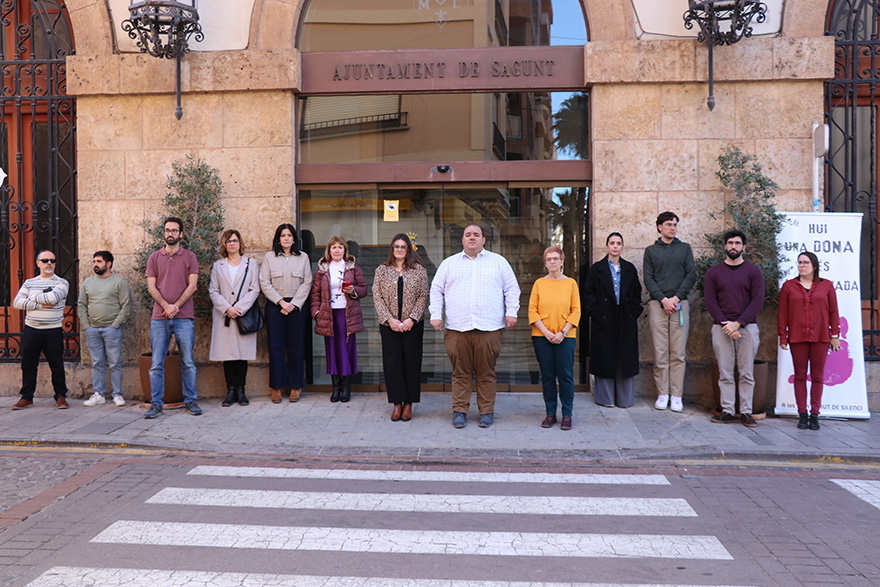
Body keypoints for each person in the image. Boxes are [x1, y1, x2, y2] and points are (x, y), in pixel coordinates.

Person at [429, 224, 520, 429]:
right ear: (462, 240)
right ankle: (459, 411)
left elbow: (512, 288)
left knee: (486, 373)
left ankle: (486, 412)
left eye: (476, 235)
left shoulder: (499, 262)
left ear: (483, 240)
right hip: (457, 328)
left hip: (489, 328)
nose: (472, 238)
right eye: (468, 235)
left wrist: (511, 312)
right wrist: (436, 315)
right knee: (460, 372)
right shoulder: (449, 264)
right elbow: (436, 290)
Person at [705, 230, 764, 428]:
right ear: (724, 246)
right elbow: (711, 302)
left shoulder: (754, 271)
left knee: (746, 372)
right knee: (725, 372)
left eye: (737, 243)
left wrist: (738, 323)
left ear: (744, 247)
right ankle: (728, 410)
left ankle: (746, 412)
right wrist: (725, 324)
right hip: (721, 328)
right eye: (730, 243)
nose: (733, 246)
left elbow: (757, 301)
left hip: (747, 328)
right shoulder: (713, 273)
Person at [144, 217, 201, 419]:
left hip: (183, 317)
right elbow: (151, 286)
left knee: (188, 362)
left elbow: (192, 285)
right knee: (156, 364)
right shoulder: (154, 258)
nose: (170, 233)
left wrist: (175, 306)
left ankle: (191, 401)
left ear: (181, 234)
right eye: (167, 230)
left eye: (174, 230)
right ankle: (156, 404)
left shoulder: (190, 257)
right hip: (159, 318)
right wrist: (166, 306)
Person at [778, 251, 841, 431]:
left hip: (821, 337)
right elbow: (782, 314)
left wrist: (834, 335)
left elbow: (833, 312)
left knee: (818, 376)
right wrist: (783, 335)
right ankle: (802, 414)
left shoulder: (826, 286)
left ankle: (815, 414)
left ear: (814, 266)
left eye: (805, 263)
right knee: (799, 375)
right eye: (799, 263)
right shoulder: (789, 286)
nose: (801, 266)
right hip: (797, 337)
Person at [643, 211, 696, 412]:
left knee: (678, 353)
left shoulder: (684, 249)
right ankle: (662, 393)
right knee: (660, 352)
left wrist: (675, 298)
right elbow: (648, 279)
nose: (672, 228)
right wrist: (663, 299)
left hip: (680, 305)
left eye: (675, 224)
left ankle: (676, 395)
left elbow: (691, 275)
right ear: (659, 227)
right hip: (658, 305)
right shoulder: (651, 251)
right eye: (668, 224)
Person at [373, 233, 429, 421]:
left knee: (411, 363)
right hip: (389, 325)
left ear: (409, 249)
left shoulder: (419, 270)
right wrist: (390, 320)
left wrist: (411, 319)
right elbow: (377, 296)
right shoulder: (381, 270)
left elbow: (423, 296)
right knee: (393, 364)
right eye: (396, 246)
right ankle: (397, 403)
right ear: (392, 249)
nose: (399, 249)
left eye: (403, 246)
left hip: (412, 325)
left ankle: (409, 404)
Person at [583, 233, 643, 410]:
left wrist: (632, 313)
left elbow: (636, 295)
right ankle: (606, 398)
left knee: (624, 356)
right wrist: (597, 313)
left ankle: (624, 398)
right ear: (607, 246)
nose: (615, 246)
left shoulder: (630, 269)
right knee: (605, 356)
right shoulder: (596, 269)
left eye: (618, 243)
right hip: (604, 319)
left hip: (625, 318)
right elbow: (589, 295)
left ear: (622, 246)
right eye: (612, 243)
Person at [528, 245, 581, 430]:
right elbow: (532, 311)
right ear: (545, 262)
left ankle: (567, 414)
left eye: (555, 259)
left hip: (566, 336)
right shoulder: (539, 284)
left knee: (565, 376)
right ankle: (550, 413)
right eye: (549, 259)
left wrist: (562, 333)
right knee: (548, 376)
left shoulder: (571, 284)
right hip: (542, 336)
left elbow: (576, 311)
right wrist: (547, 332)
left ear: (562, 261)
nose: (552, 262)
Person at [260, 224, 313, 403]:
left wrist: (294, 303)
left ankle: (295, 386)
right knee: (275, 347)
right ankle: (276, 386)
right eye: (283, 235)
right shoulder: (269, 257)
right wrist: (281, 302)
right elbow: (264, 282)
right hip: (276, 306)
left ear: (294, 238)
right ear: (278, 238)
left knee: (296, 347)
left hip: (297, 307)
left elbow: (307, 282)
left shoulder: (303, 257)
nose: (286, 239)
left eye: (289, 235)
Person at [12, 250, 70, 410]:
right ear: (38, 263)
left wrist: (30, 298)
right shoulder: (29, 283)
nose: (49, 263)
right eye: (45, 260)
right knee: (28, 364)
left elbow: (53, 298)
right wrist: (40, 302)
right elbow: (17, 303)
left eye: (52, 260)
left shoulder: (62, 283)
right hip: (32, 329)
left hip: (53, 330)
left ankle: (60, 396)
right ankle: (26, 397)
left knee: (56, 364)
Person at [311, 236, 367, 403]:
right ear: (329, 250)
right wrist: (316, 313)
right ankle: (335, 388)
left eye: (340, 247)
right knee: (332, 350)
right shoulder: (322, 270)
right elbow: (315, 294)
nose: (336, 250)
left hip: (347, 313)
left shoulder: (352, 268)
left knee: (347, 349)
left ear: (345, 250)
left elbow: (364, 289)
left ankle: (346, 388)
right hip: (329, 314)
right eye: (333, 247)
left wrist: (353, 290)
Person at [209, 229, 261, 407]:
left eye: (235, 240)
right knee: (228, 355)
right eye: (228, 241)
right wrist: (227, 308)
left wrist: (238, 308)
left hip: (242, 315)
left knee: (242, 355)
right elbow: (213, 291)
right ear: (224, 245)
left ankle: (241, 390)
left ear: (240, 243)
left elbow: (255, 289)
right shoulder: (218, 266)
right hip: (225, 317)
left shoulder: (250, 264)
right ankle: (230, 391)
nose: (232, 243)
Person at [79, 251, 132, 407]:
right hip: (92, 329)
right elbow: (81, 305)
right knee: (96, 363)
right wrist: (86, 326)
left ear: (108, 264)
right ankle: (98, 394)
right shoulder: (88, 282)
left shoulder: (119, 282)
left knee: (115, 362)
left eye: (99, 261)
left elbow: (126, 306)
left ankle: (117, 394)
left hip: (112, 329)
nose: (95, 264)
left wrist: (115, 325)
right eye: (94, 261)